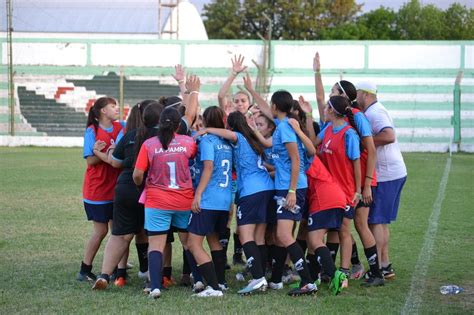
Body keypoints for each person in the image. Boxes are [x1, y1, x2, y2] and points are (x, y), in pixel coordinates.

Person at [132, 79, 200, 299]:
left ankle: (155, 286)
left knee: (157, 243)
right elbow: (190, 116)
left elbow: (137, 174)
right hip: (183, 200)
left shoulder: (149, 144)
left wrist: (141, 182)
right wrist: (193, 92)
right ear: (177, 125)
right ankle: (198, 280)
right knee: (188, 242)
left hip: (157, 201)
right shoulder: (188, 143)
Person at [314, 52, 378, 282]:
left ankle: (373, 271)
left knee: (356, 225)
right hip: (340, 183)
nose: (328, 96)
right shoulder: (332, 126)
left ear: (342, 98)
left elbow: (370, 150)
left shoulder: (356, 119)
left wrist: (366, 184)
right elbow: (320, 97)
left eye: (333, 91)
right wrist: (317, 72)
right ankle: (337, 270)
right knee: (340, 227)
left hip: (358, 181)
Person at [196, 110, 275, 295]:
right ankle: (261, 276)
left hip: (251, 191)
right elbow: (264, 165)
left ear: (230, 126)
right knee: (260, 237)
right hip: (266, 187)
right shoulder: (253, 140)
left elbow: (229, 134)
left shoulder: (238, 136)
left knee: (245, 235)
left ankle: (257, 278)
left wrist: (206, 129)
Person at [92, 101, 163, 290]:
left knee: (120, 235)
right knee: (153, 235)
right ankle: (151, 277)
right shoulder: (166, 138)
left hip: (125, 188)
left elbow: (115, 163)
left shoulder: (131, 135)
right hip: (152, 189)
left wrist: (108, 151)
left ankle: (105, 275)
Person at [356, 81, 407, 280]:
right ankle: (384, 264)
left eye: (358, 94)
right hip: (393, 172)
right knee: (381, 222)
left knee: (375, 222)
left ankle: (378, 266)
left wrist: (365, 142)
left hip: (386, 174)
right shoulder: (375, 110)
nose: (356, 98)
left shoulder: (374, 112)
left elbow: (389, 135)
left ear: (365, 94)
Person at [268, 90, 317, 296]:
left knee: (283, 234)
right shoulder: (285, 125)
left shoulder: (286, 128)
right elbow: (309, 152)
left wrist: (291, 190)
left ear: (274, 107)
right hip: (288, 185)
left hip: (291, 187)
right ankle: (277, 279)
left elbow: (296, 160)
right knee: (282, 236)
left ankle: (307, 281)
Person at [187, 106, 233, 297]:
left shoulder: (207, 140)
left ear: (204, 121)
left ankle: (213, 287)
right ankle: (221, 283)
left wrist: (198, 194)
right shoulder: (228, 142)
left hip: (208, 199)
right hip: (224, 200)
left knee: (193, 243)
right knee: (214, 240)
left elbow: (208, 168)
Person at [77, 97, 123, 282]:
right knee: (101, 230)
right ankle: (85, 269)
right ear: (103, 111)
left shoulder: (121, 127)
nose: (117, 109)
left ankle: (116, 269)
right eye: (113, 106)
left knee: (117, 230)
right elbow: (90, 160)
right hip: (97, 190)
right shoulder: (92, 131)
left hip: (116, 188)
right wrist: (104, 153)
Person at [305, 156, 348, 295]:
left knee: (314, 240)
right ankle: (313, 278)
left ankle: (335, 274)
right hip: (337, 197)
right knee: (312, 239)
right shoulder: (307, 155)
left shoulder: (298, 154)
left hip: (323, 198)